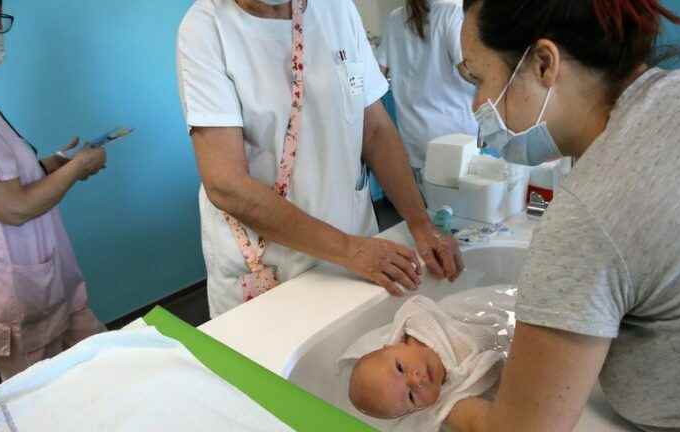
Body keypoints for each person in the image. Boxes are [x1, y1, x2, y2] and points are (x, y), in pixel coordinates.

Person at [456, 0, 680, 430]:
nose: (476, 104)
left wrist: (440, 398)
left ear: (544, 64)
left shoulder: (588, 216)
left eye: (478, 78)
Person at [176, 0, 463, 318]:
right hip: (271, 267)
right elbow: (226, 183)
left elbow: (376, 130)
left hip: (359, 255)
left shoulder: (337, 8)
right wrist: (349, 249)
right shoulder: (205, 28)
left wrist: (420, 223)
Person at [0, 0, 107, 380]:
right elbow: (13, 208)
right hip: (17, 292)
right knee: (45, 404)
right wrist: (76, 170)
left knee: (101, 367)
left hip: (48, 276)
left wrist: (58, 162)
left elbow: (9, 180)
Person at [341, 290, 515, 431]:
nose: (416, 380)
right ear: (418, 410)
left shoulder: (417, 322)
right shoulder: (448, 395)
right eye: (410, 396)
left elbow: (418, 304)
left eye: (400, 368)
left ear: (394, 345)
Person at [378, 0, 477, 189]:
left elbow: (377, 73)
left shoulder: (395, 18)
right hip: (454, 140)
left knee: (432, 211)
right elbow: (468, 71)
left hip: (414, 139)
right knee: (461, 213)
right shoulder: (452, 12)